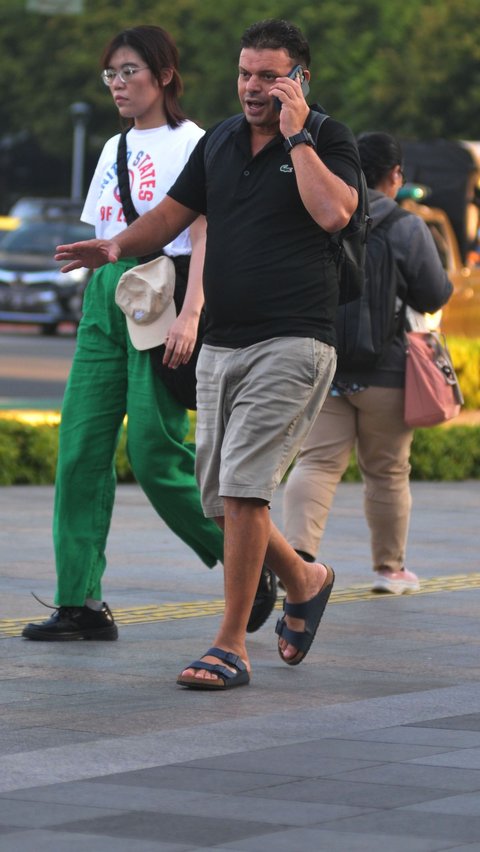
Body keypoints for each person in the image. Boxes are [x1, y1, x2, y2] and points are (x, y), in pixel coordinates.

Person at [53, 18, 360, 689]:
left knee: (244, 490)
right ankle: (305, 577)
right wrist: (113, 246)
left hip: (294, 339)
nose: (253, 87)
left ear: (299, 79)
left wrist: (298, 135)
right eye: (246, 73)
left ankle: (229, 645)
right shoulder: (221, 140)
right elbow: (172, 214)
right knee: (222, 498)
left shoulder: (329, 138)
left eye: (270, 76)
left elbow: (334, 212)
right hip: (225, 344)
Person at [22, 24, 276, 642]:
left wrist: (193, 313)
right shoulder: (112, 149)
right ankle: (79, 602)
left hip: (164, 302)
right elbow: (107, 232)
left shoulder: (199, 142)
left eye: (128, 71)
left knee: (156, 455)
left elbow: (207, 235)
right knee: (79, 451)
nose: (117, 84)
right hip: (105, 305)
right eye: (110, 74)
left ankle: (252, 562)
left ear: (164, 75)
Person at [283, 131, 453, 594]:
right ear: (394, 175)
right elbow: (435, 294)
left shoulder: (322, 213)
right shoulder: (407, 226)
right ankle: (390, 570)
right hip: (388, 372)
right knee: (388, 471)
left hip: (327, 367)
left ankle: (295, 562)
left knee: (316, 463)